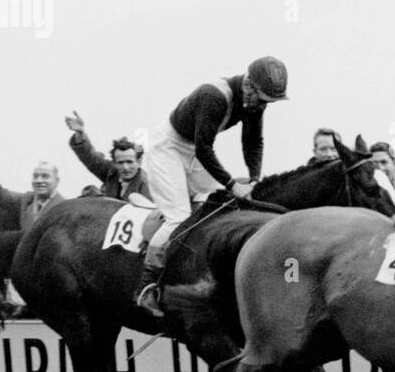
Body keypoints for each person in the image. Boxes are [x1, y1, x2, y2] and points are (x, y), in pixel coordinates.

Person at [137, 56, 289, 316]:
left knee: (216, 207)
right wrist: (232, 183)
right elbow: (204, 148)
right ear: (249, 85)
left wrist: (253, 179)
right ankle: (147, 284)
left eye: (268, 101)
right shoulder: (214, 95)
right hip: (168, 147)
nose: (263, 105)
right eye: (263, 99)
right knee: (180, 216)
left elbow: (253, 141)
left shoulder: (254, 102)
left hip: (193, 150)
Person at [0, 150, 65, 231]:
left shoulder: (65, 206)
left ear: (57, 181)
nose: (39, 180)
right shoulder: (26, 200)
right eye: (35, 176)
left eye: (45, 176)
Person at [62, 112, 151, 200]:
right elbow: (90, 158)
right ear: (114, 163)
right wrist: (80, 133)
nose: (125, 167)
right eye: (120, 163)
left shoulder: (148, 187)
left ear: (139, 162)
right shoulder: (111, 172)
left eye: (129, 162)